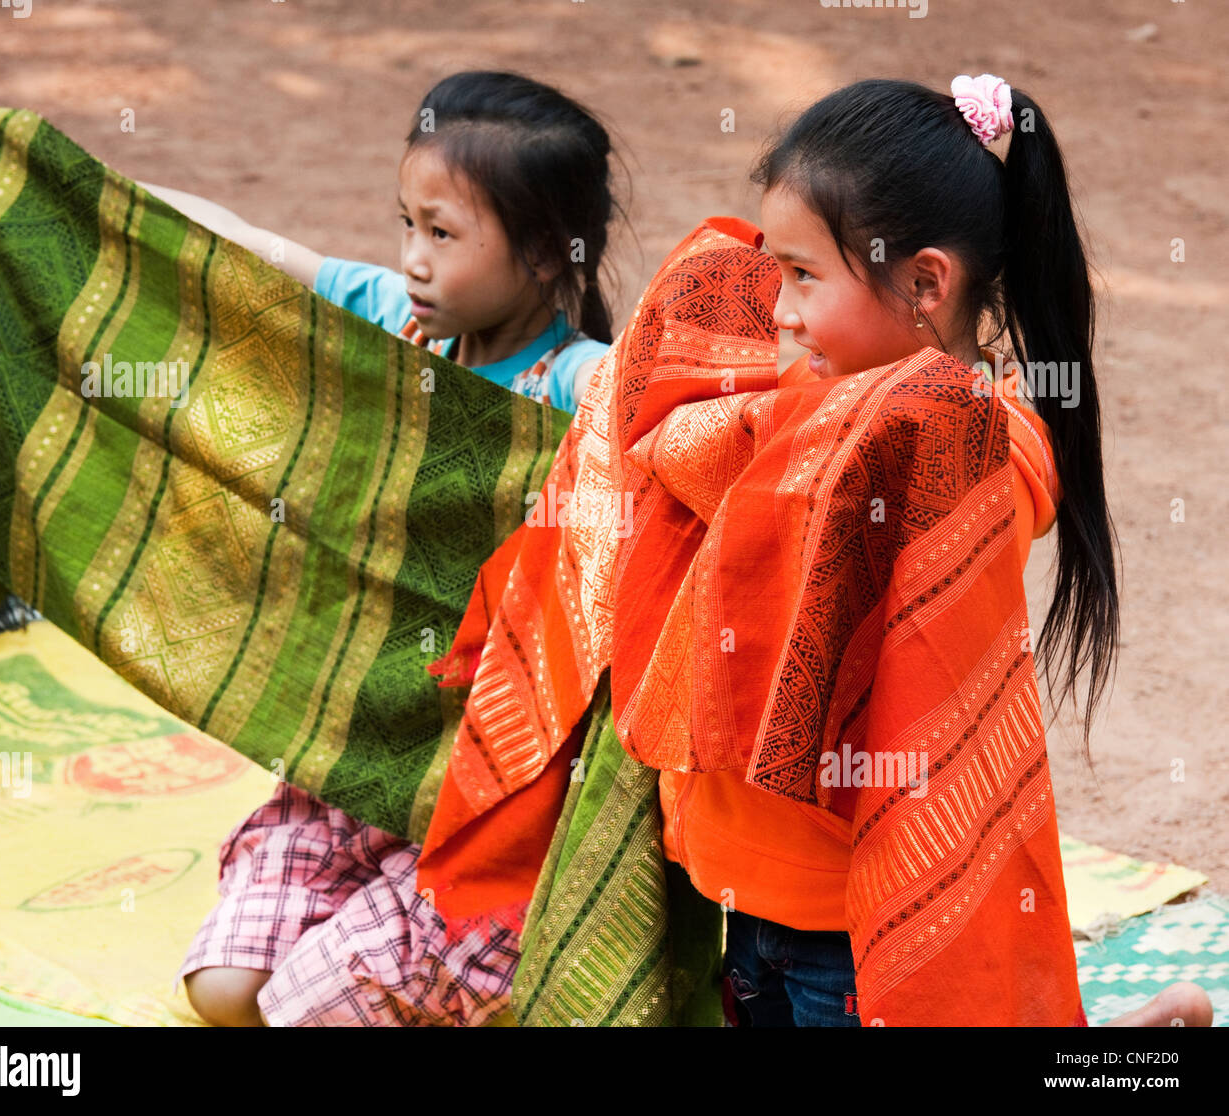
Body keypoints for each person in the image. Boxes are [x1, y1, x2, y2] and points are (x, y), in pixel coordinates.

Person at [414, 75, 1212, 1028]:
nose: (776, 311)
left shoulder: (967, 443)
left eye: (801, 275)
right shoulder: (791, 400)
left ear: (924, 283)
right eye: (773, 269)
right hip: (738, 896)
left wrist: (708, 419)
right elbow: (678, 410)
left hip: (857, 915)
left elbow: (814, 468)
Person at [142, 69, 621, 1026]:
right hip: (359, 757)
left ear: (541, 255)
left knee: (294, 1010)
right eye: (407, 224)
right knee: (224, 992)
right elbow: (239, 247)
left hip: (484, 797)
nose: (412, 258)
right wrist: (66, 182)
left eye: (442, 235)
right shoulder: (391, 323)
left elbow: (680, 402)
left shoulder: (581, 386)